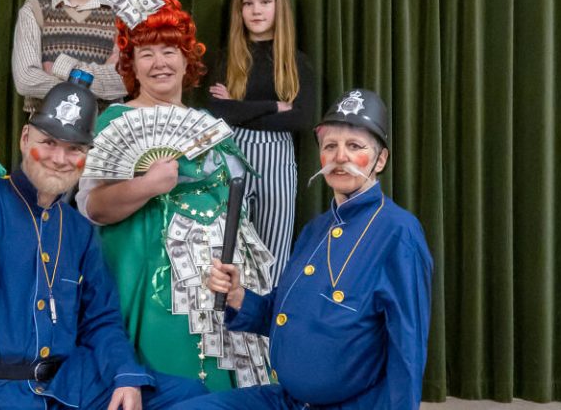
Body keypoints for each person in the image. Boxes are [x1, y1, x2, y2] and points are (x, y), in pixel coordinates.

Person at [0, 79, 206, 409]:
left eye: (75, 149)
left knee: (188, 398)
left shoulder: (77, 229)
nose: (60, 158)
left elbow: (101, 319)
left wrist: (125, 374)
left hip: (64, 387)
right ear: (25, 138)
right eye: (49, 143)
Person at [174, 89, 433, 409]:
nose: (340, 157)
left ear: (380, 160)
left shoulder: (399, 232)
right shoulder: (315, 230)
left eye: (355, 146)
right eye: (330, 146)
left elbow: (407, 349)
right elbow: (282, 316)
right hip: (285, 400)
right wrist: (238, 296)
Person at [76, 0, 275, 392]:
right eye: (146, 53)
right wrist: (149, 184)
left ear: (188, 61)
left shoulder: (211, 126)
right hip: (151, 285)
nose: (159, 63)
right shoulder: (117, 120)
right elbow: (93, 208)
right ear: (132, 65)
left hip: (219, 289)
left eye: (169, 51)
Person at [207, 0, 315, 285]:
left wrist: (237, 107)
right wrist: (272, 106)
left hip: (277, 163)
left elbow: (300, 118)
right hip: (231, 156)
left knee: (273, 254)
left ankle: (267, 330)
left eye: (264, 2)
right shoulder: (228, 59)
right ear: (239, 10)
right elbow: (216, 113)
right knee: (224, 250)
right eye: (248, 3)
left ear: (278, 6)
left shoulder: (296, 62)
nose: (256, 10)